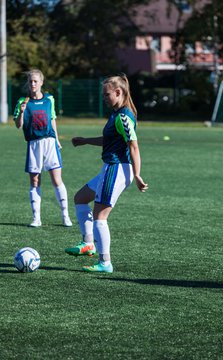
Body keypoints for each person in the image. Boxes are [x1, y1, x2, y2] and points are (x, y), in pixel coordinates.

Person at [65, 73, 148, 273]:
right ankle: (88, 244)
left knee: (100, 216)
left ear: (118, 92)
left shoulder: (123, 117)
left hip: (117, 168)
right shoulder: (115, 114)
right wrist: (85, 140)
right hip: (110, 167)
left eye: (106, 94)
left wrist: (137, 174)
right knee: (80, 198)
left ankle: (105, 262)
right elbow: (108, 140)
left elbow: (134, 146)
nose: (104, 98)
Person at [13, 69, 72, 228]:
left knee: (56, 179)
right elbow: (19, 126)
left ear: (41, 82)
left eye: (35, 81)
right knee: (35, 180)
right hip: (34, 144)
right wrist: (21, 113)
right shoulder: (22, 102)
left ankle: (65, 215)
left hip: (49, 143)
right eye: (30, 81)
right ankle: (36, 218)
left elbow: (52, 120)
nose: (33, 84)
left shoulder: (49, 99)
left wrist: (57, 139)